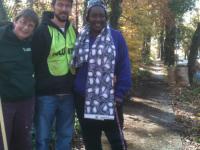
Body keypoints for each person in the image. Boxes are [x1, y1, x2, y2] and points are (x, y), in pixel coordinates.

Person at [71, 0, 132, 150]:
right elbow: (74, 67)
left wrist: (119, 94)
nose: (98, 19)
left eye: (101, 16)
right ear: (87, 17)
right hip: (84, 100)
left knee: (117, 140)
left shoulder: (116, 37)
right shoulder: (80, 38)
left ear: (106, 17)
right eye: (94, 16)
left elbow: (124, 66)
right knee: (91, 142)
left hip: (109, 99)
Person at [31, 0, 76, 149]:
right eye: (60, 5)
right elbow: (34, 61)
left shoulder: (73, 30)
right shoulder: (41, 31)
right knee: (43, 137)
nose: (64, 9)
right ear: (53, 6)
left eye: (67, 5)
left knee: (65, 136)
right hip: (46, 96)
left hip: (69, 94)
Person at [0, 8, 38, 150]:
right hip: (4, 102)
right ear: (15, 21)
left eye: (30, 25)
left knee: (22, 141)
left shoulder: (32, 42)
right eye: (23, 22)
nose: (25, 27)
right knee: (2, 141)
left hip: (26, 101)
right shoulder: (1, 37)